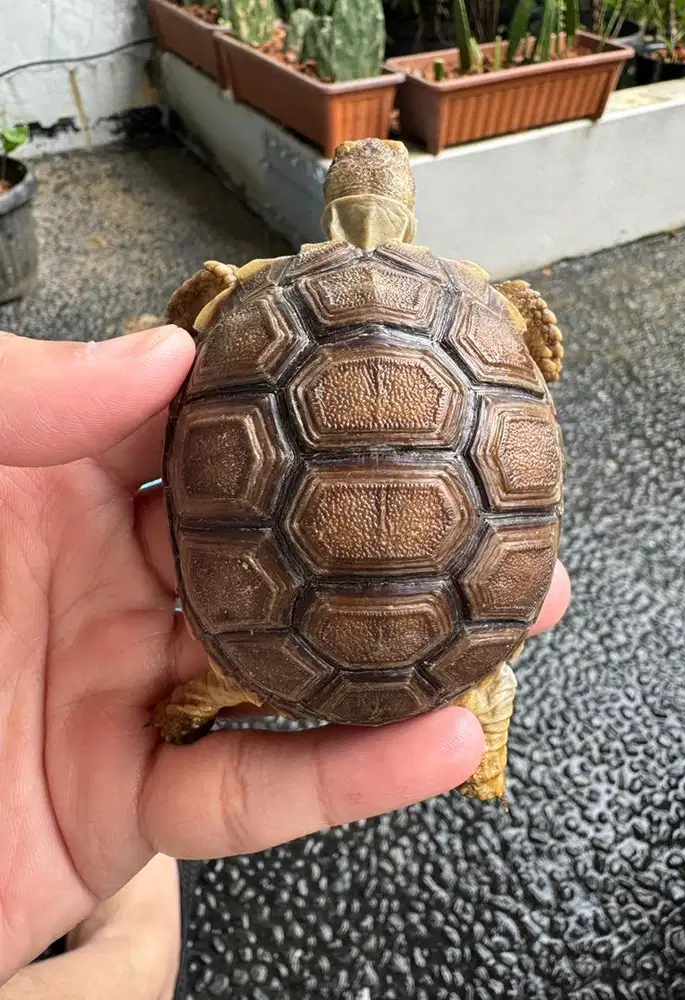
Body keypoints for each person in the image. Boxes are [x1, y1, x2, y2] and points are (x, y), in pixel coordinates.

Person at [0, 324, 571, 999]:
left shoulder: (259, 299)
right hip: (436, 634)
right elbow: (535, 350)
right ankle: (136, 940)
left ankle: (135, 931)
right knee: (136, 965)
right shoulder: (483, 316)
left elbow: (198, 320)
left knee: (216, 688)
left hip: (273, 642)